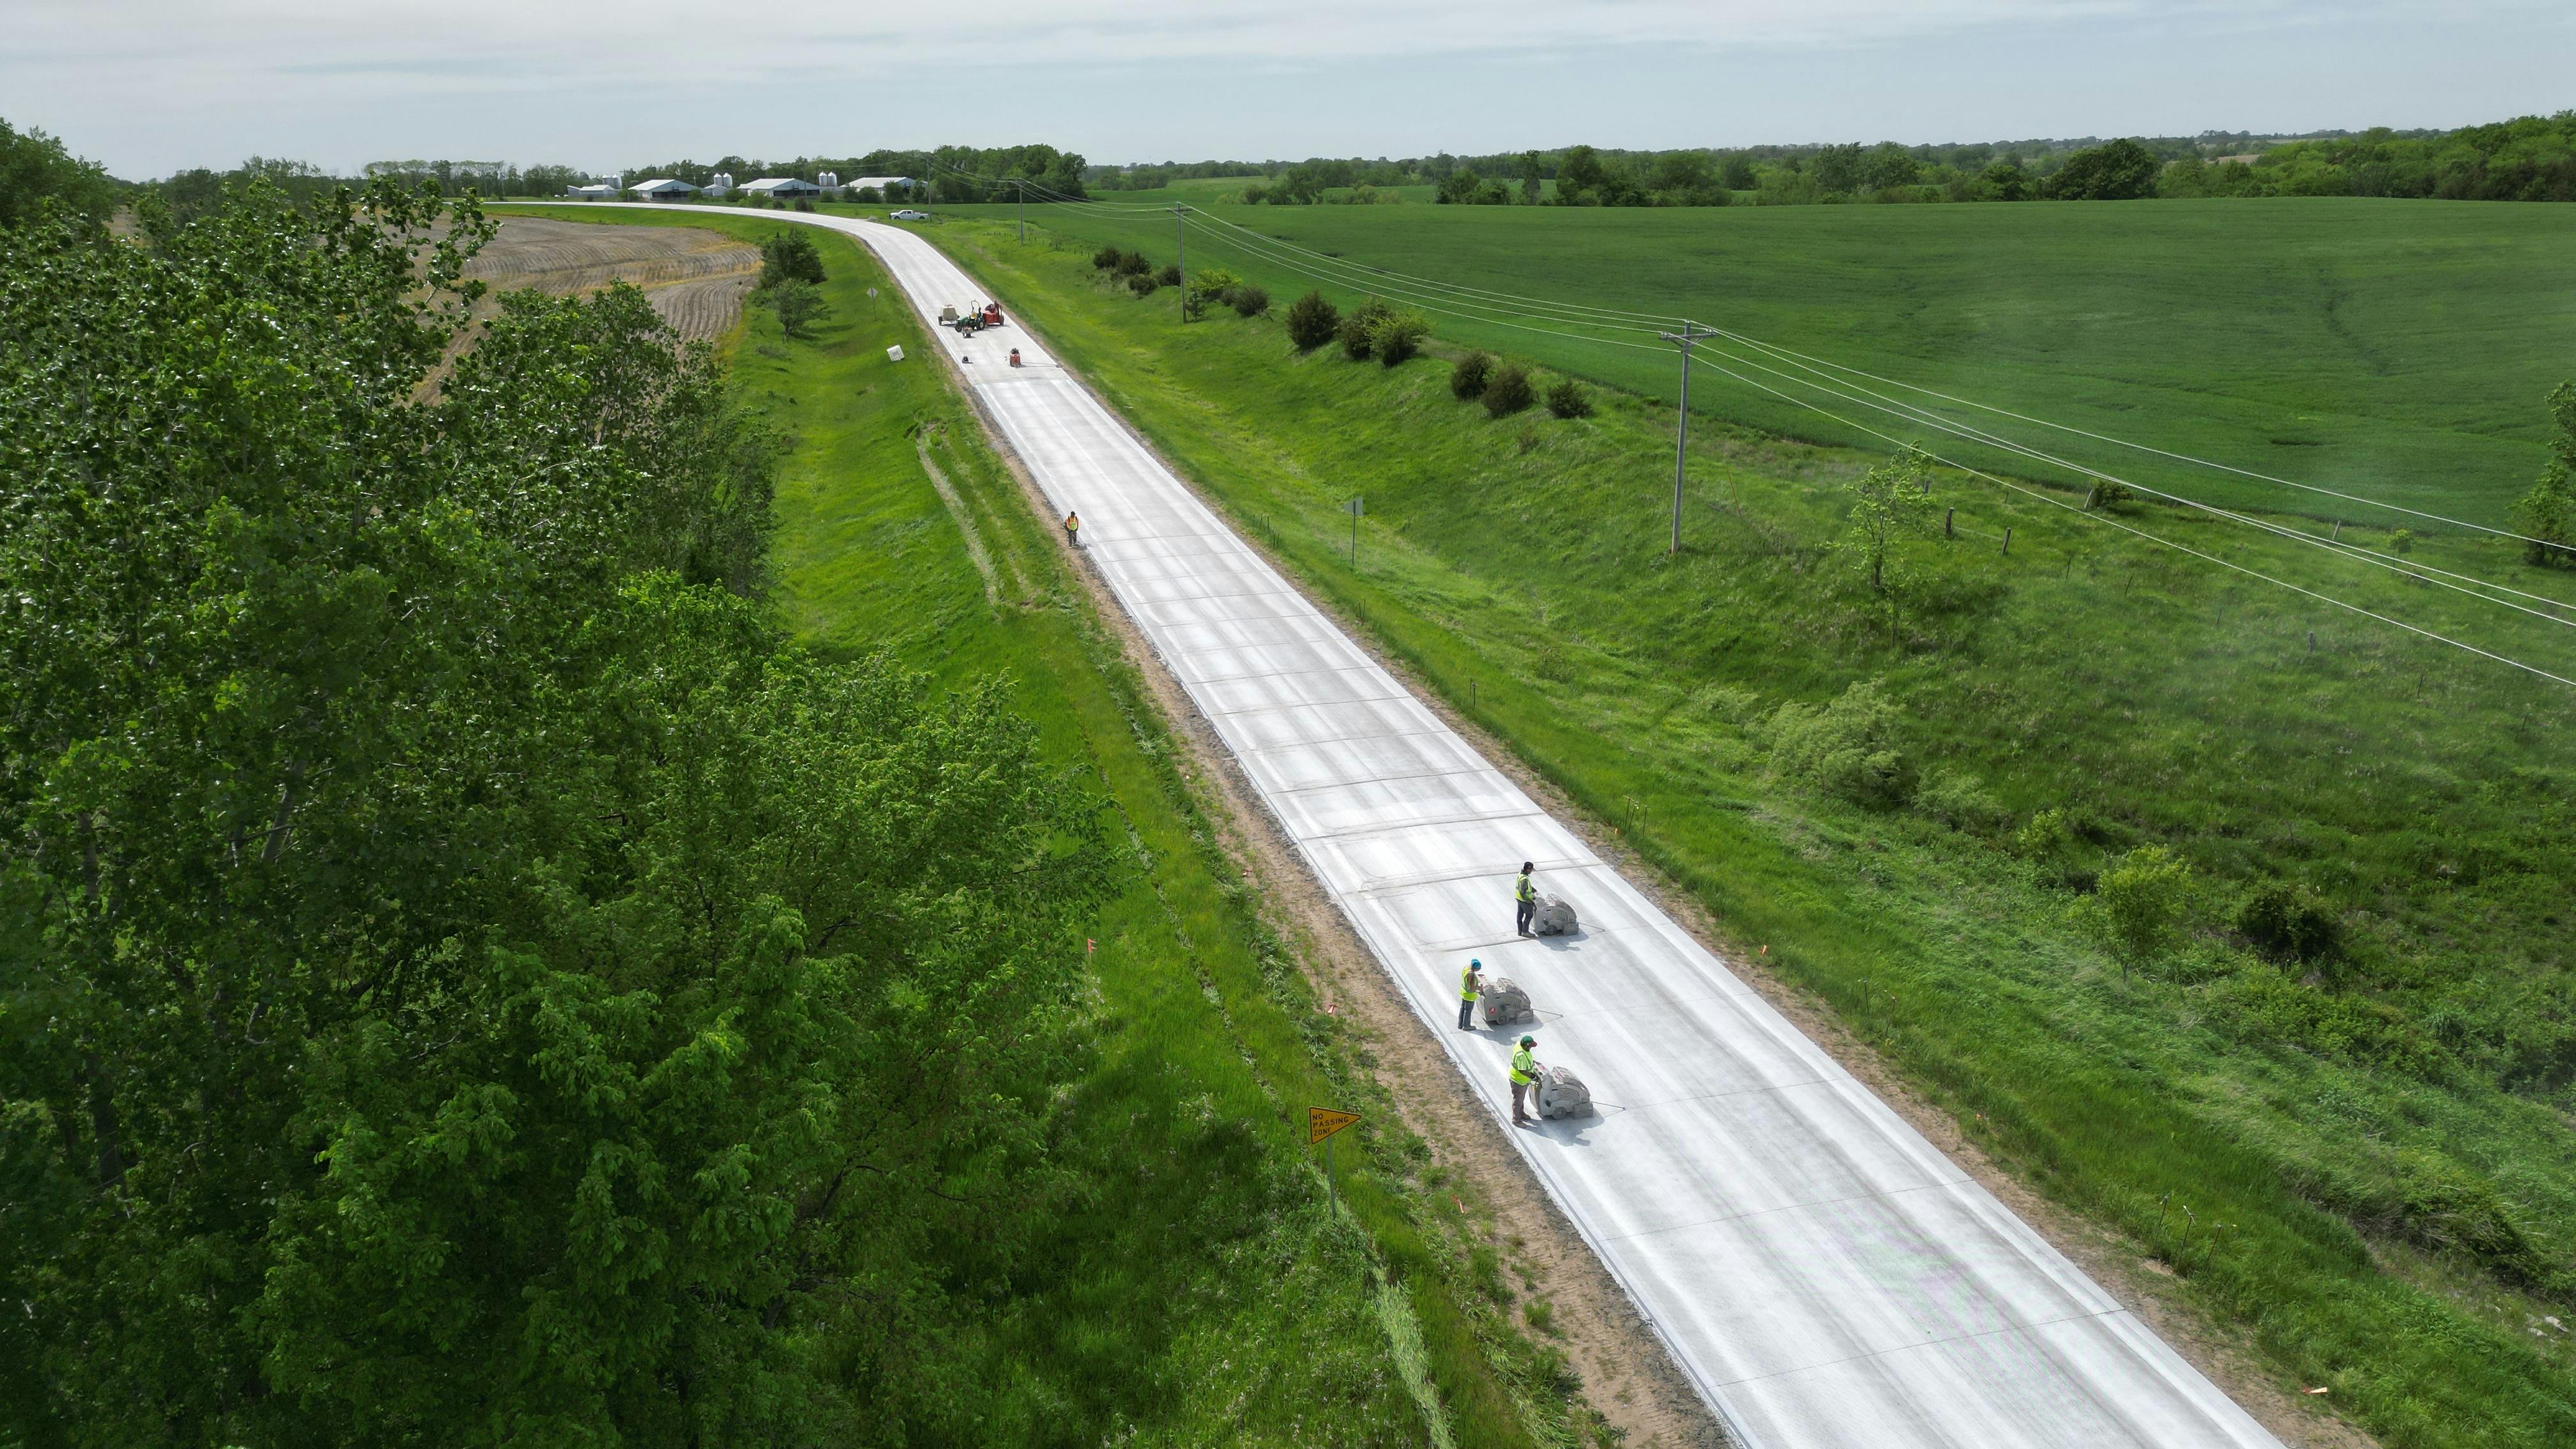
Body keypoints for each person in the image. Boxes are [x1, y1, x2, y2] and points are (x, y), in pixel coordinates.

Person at [1509, 1035, 1539, 1127]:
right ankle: (1516, 1120)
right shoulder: (1521, 1056)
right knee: (1518, 1100)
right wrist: (1533, 1076)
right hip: (1519, 1080)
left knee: (1520, 1098)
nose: (1531, 1048)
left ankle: (1521, 1113)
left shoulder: (1519, 1044)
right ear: (1526, 1046)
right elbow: (1522, 1071)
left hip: (1521, 1080)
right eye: (1530, 1046)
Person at [1457, 957, 1485, 1031]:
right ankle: (1466, 1026)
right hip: (1469, 996)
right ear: (1476, 968)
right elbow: (1471, 988)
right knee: (1468, 1011)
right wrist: (1479, 988)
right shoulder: (1471, 975)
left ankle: (1460, 1024)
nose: (1478, 970)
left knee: (1463, 1009)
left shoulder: (1467, 968)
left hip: (1463, 992)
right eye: (1478, 969)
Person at [1514, 861, 1538, 937]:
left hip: (1518, 898)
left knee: (1520, 915)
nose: (1531, 871)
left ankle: (1520, 931)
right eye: (1531, 870)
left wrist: (1532, 889)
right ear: (1528, 869)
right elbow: (1523, 892)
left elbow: (1524, 887)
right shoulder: (1524, 878)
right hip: (1524, 900)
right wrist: (1530, 901)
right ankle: (1525, 932)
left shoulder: (1521, 874)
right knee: (1529, 915)